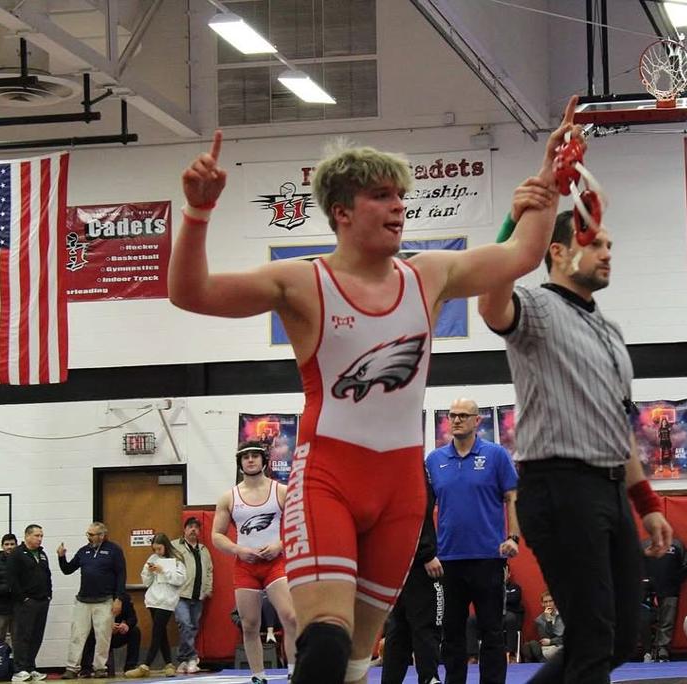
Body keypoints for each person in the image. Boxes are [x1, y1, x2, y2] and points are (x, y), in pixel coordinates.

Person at [168, 95, 579, 684]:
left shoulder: (429, 274)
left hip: (401, 488)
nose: (398, 207)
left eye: (400, 196)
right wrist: (198, 211)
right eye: (382, 196)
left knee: (357, 660)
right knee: (325, 644)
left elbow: (522, 253)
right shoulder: (302, 281)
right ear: (341, 211)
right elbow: (192, 293)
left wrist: (552, 175)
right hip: (328, 477)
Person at [478, 209, 672, 683]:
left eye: (609, 245)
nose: (607, 253)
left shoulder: (610, 331)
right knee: (592, 638)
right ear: (559, 252)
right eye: (595, 243)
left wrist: (646, 503)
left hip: (609, 487)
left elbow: (617, 422)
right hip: (559, 485)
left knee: (619, 638)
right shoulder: (537, 307)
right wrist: (514, 222)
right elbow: (489, 305)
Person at [425, 397, 519, 684]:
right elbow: (423, 509)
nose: (456, 420)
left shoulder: (496, 455)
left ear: (477, 421)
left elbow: (511, 496)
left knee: (492, 631)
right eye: (452, 415)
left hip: (488, 558)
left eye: (463, 416)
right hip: (448, 561)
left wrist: (513, 537)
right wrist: (428, 551)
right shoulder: (434, 460)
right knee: (452, 633)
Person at [212, 443, 298, 684]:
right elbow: (216, 535)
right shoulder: (229, 497)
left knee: (291, 617)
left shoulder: (281, 491)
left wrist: (280, 545)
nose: (250, 460)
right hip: (246, 566)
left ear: (264, 460)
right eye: (246, 457)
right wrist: (239, 550)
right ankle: (258, 676)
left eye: (255, 456)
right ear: (240, 462)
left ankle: (294, 672)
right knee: (249, 625)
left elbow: (299, 525)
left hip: (275, 563)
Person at [380, 480, 441, 684]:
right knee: (424, 624)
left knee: (399, 626)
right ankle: (429, 678)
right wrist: (426, 553)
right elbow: (416, 510)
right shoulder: (412, 471)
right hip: (417, 562)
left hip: (395, 559)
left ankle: (390, 680)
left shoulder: (390, 472)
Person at [58, 521, 127, 679]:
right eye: (87, 534)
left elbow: (121, 575)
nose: (88, 537)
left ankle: (100, 667)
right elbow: (67, 569)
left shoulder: (114, 550)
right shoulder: (83, 551)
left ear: (102, 535)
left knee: (103, 636)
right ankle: (72, 667)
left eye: (91, 534)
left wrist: (119, 598)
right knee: (77, 635)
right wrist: (61, 557)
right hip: (83, 600)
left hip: (105, 600)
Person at [125, 533, 186, 678]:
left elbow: (180, 580)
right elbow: (146, 581)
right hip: (153, 600)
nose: (157, 552)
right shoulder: (153, 558)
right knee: (161, 631)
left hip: (167, 600)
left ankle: (146, 665)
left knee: (157, 631)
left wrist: (163, 571)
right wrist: (149, 571)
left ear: (166, 546)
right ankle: (169, 664)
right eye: (155, 549)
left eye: (159, 549)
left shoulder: (177, 559)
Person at [171, 516, 214, 674]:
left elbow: (209, 570)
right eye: (190, 526)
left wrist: (208, 589)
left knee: (193, 627)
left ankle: (183, 660)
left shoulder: (203, 549)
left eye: (196, 527)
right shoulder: (174, 546)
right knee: (185, 624)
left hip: (198, 595)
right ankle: (193, 658)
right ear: (185, 529)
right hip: (180, 594)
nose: (193, 529)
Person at [8, 524, 51, 682]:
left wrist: (49, 595)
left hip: (42, 601)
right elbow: (12, 579)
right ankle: (19, 670)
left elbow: (47, 575)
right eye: (36, 535)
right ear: (27, 536)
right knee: (23, 636)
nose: (40, 539)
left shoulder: (42, 554)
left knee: (36, 636)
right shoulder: (17, 554)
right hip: (26, 602)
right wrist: (23, 598)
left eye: (41, 536)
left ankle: (30, 667)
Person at [641, 537, 687, 662]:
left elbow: (686, 564)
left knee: (667, 621)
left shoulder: (677, 544)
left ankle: (662, 649)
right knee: (645, 621)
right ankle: (648, 650)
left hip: (670, 589)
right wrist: (644, 583)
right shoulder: (645, 544)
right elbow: (636, 564)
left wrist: (676, 580)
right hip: (648, 591)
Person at [466, 565, 525, 664]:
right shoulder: (488, 587)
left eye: (504, 572)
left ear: (508, 574)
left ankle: (511, 654)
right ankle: (473, 655)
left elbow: (514, 599)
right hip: (490, 615)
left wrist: (496, 597)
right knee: (470, 620)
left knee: (511, 618)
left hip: (506, 616)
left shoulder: (515, 588)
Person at [80, 591, 141, 678]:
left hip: (117, 634)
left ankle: (130, 666)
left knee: (135, 631)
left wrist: (126, 625)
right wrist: (106, 626)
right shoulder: (98, 598)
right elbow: (90, 621)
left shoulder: (125, 599)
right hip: (99, 634)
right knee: (88, 633)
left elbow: (133, 618)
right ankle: (86, 668)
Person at [521, 591, 564, 664]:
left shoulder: (563, 616)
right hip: (547, 647)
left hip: (560, 645)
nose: (548, 604)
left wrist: (551, 641)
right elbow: (545, 638)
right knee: (529, 645)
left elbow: (567, 638)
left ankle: (538, 661)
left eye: (551, 601)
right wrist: (548, 620)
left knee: (546, 651)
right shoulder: (540, 619)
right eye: (545, 602)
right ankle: (538, 661)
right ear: (542, 604)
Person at [0, 533, 17, 646]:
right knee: (0, 637)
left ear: (16, 545)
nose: (9, 547)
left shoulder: (22, 559)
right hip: (1, 607)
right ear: (2, 546)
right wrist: (7, 589)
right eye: (6, 544)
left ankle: (17, 658)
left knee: (18, 639)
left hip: (18, 607)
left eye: (12, 544)